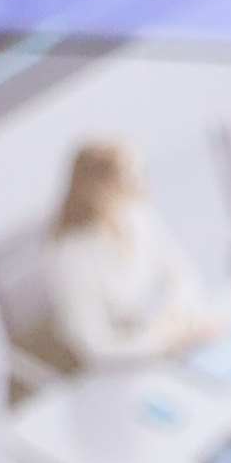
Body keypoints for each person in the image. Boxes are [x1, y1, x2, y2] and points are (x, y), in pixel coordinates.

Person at [43, 142, 212, 366]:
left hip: (153, 345)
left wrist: (178, 316)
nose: (141, 186)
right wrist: (162, 341)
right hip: (109, 366)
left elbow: (182, 273)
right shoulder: (71, 257)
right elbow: (96, 347)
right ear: (99, 191)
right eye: (130, 179)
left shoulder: (138, 216)